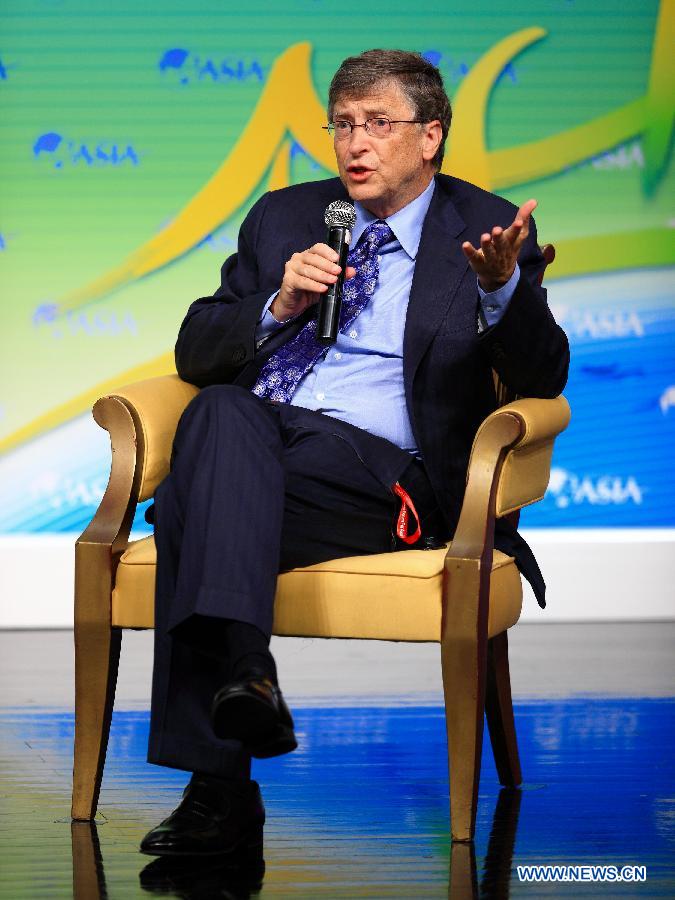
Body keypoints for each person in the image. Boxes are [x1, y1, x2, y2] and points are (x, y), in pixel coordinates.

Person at [139, 49, 569, 859]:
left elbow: (542, 378)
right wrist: (277, 304)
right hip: (264, 451)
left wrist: (500, 291)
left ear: (429, 136)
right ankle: (248, 679)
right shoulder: (284, 216)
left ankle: (217, 794)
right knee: (224, 413)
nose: (354, 144)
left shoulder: (485, 226)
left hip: (380, 477)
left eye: (378, 123)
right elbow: (197, 350)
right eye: (341, 124)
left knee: (189, 506)